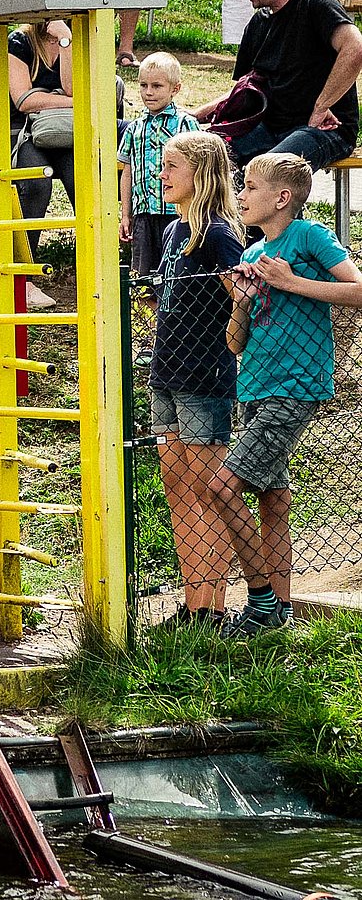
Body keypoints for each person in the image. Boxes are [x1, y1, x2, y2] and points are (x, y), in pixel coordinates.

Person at [210, 154, 362, 637]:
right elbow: (236, 342)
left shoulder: (310, 236)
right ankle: (282, 607)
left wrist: (290, 282)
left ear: (281, 198)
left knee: (221, 487)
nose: (241, 196)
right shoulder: (252, 254)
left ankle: (261, 603)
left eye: (250, 188)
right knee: (273, 499)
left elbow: (359, 291)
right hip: (254, 387)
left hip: (295, 387)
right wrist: (241, 302)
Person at [148, 132, 246, 628]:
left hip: (203, 377)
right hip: (165, 372)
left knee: (207, 488)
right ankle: (193, 602)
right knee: (177, 486)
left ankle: (215, 605)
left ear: (201, 174)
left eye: (172, 166)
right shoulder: (173, 231)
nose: (162, 174)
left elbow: (243, 296)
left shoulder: (219, 233)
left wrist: (229, 345)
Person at [194, 0, 362, 172]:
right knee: (204, 158)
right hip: (269, 129)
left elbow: (355, 48)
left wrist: (322, 106)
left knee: (267, 170)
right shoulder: (258, 24)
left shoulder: (314, 3)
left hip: (323, 130)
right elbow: (242, 91)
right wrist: (194, 116)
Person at [118, 52, 200, 349]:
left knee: (176, 276)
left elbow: (199, 167)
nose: (148, 92)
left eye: (156, 86)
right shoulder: (134, 128)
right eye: (143, 86)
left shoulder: (185, 124)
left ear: (174, 89)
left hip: (176, 215)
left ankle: (181, 334)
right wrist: (125, 214)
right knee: (145, 278)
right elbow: (127, 170)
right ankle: (155, 337)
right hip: (144, 215)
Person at [9, 19, 76, 309]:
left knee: (81, 175)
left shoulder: (77, 38)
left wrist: (66, 40)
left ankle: (95, 269)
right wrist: (70, 101)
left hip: (62, 132)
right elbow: (23, 100)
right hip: (22, 132)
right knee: (38, 183)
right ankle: (25, 277)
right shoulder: (20, 42)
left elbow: (72, 86)